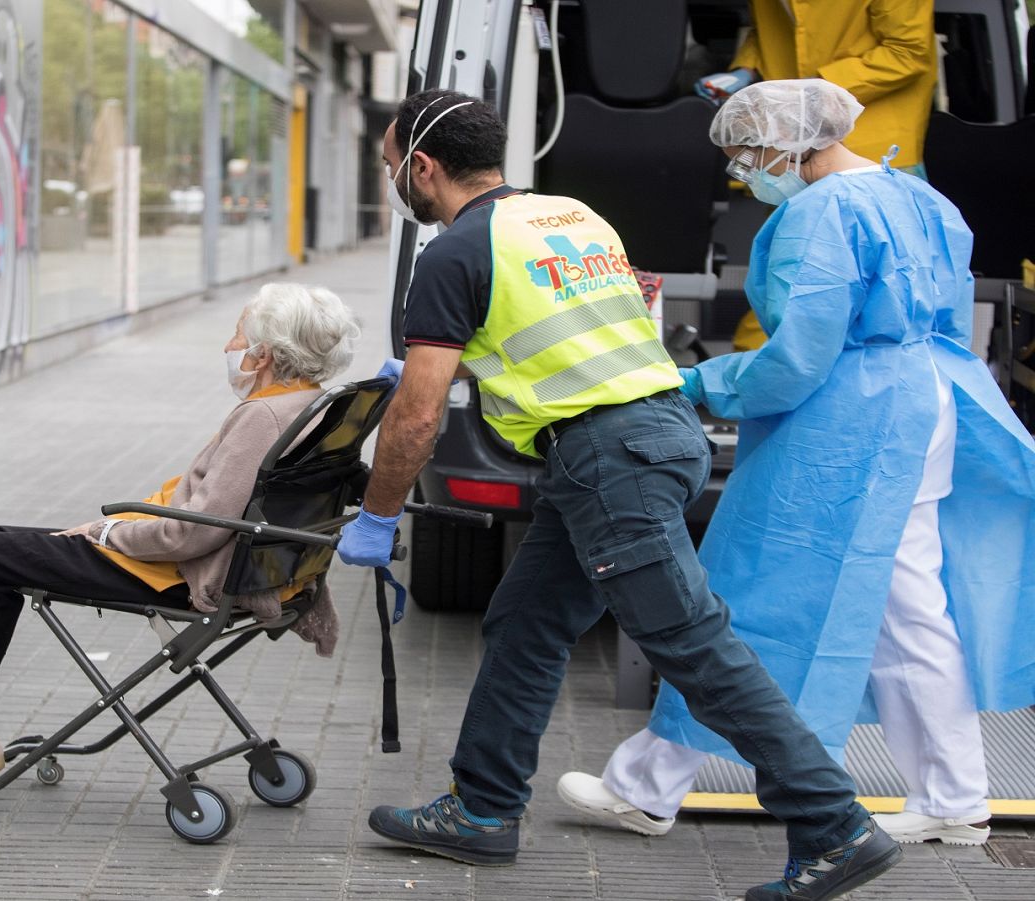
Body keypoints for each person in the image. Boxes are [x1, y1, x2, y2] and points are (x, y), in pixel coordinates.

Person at [338, 88, 900, 901]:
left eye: (394, 167)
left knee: (691, 643)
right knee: (526, 620)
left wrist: (379, 513)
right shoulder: (571, 215)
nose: (395, 180)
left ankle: (835, 823)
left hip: (610, 457)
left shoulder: (454, 253)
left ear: (423, 167)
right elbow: (577, 322)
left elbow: (417, 419)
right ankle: (484, 808)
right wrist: (456, 355)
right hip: (652, 433)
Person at [557, 79, 1035, 849]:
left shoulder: (820, 212)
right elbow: (944, 314)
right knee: (912, 612)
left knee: (744, 597)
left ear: (788, 141)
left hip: (843, 427)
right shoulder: (918, 196)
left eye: (745, 154)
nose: (743, 171)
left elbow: (800, 355)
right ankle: (955, 795)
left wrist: (694, 382)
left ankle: (644, 787)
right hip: (924, 405)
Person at [0, 283, 357, 776]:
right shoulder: (314, 406)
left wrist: (108, 533)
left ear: (263, 355)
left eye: (236, 337)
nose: (229, 348)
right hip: (221, 566)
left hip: (172, 572)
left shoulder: (263, 416)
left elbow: (197, 533)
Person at [695, 0, 938, 350]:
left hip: (870, 133)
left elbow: (909, 52)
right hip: (786, 141)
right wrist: (747, 69)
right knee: (793, 264)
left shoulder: (893, 199)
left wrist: (804, 94)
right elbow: (767, 34)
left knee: (870, 284)